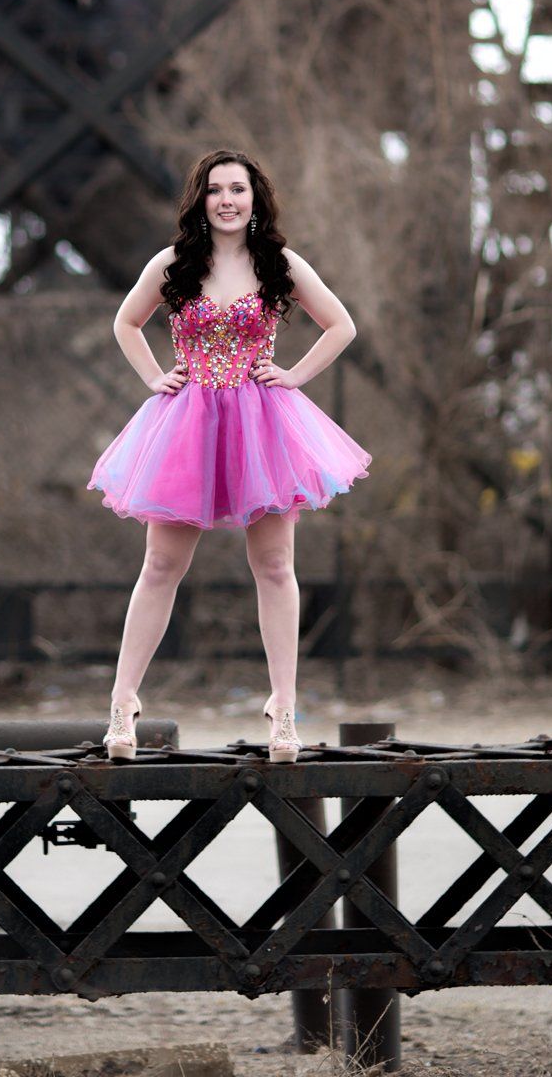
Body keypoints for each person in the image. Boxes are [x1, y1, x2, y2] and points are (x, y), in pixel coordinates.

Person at [87, 148, 371, 763]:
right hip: (187, 423)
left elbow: (341, 325)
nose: (226, 200)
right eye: (215, 189)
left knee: (274, 565)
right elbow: (126, 323)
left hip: (263, 427)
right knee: (161, 566)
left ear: (255, 198)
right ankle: (123, 702)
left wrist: (294, 375)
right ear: (200, 200)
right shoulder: (174, 265)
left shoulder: (279, 264)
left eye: (238, 189)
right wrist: (152, 377)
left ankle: (283, 710)